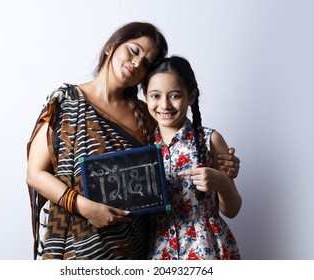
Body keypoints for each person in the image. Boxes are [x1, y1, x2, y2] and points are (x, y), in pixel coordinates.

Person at [26, 22, 239, 260]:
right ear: (111, 46)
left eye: (146, 63)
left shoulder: (146, 115)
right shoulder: (67, 102)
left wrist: (225, 168)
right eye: (134, 51)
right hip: (79, 245)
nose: (137, 63)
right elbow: (35, 173)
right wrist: (85, 207)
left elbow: (176, 157)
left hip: (136, 249)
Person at [142, 55, 242, 260]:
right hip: (158, 251)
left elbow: (232, 210)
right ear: (145, 96)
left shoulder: (210, 140)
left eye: (175, 95)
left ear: (192, 96)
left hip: (207, 248)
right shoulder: (141, 145)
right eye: (155, 95)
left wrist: (221, 182)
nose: (164, 105)